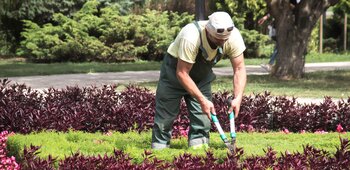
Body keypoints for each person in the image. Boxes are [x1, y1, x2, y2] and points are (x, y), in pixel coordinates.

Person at [151, 11, 247, 149]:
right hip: (174, 75)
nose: (222, 42)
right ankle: (159, 151)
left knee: (203, 119)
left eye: (225, 40)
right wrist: (202, 100)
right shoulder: (191, 36)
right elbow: (182, 73)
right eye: (218, 39)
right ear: (208, 31)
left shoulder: (233, 36)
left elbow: (239, 68)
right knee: (165, 118)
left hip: (201, 78)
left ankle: (199, 150)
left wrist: (238, 97)